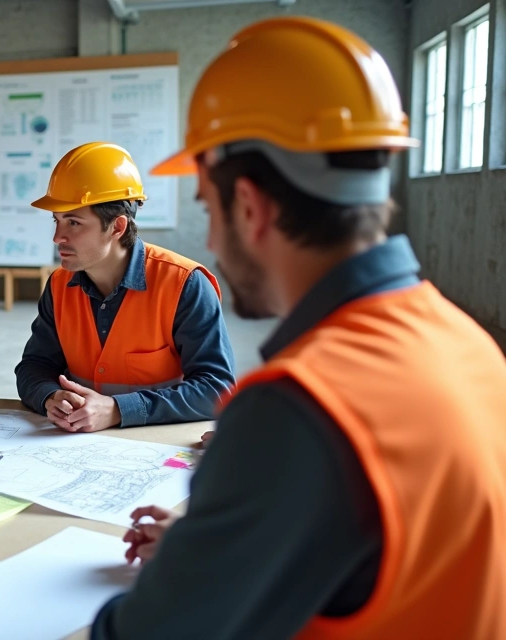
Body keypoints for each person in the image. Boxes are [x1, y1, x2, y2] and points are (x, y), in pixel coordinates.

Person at [94, 16, 506, 639]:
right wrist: (228, 542)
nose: (209, 239)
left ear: (252, 207)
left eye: (209, 208)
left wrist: (188, 571)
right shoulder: (469, 345)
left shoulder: (297, 407)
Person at [16, 142, 235, 431]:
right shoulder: (59, 285)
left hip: (156, 442)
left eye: (74, 223)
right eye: (56, 221)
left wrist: (119, 409)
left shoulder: (184, 284)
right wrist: (50, 397)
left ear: (117, 227)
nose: (58, 237)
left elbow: (216, 389)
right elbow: (33, 367)